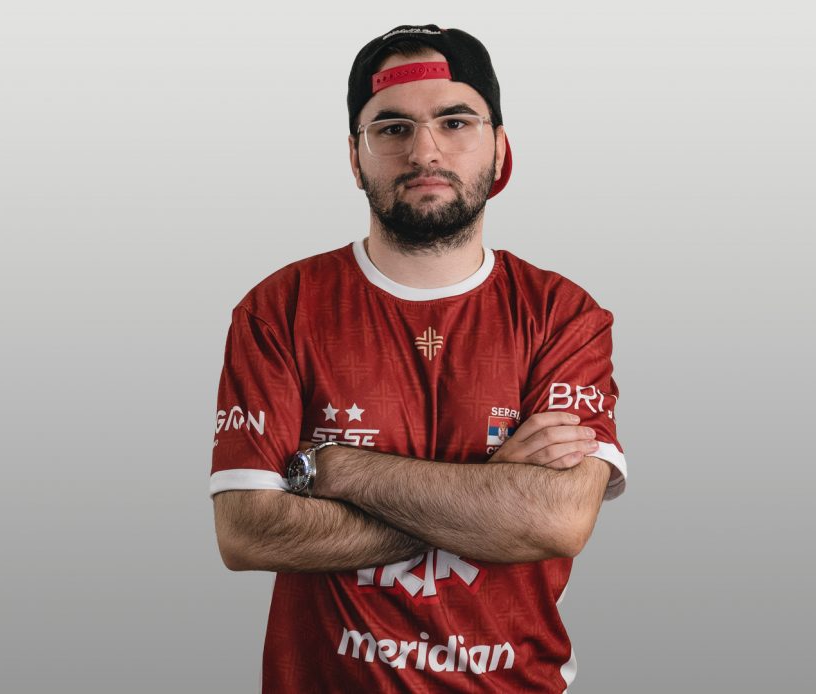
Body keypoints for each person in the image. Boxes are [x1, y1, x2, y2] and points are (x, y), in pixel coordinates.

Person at [210, 24, 628, 692]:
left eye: (455, 122)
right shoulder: (279, 309)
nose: (425, 150)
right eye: (392, 128)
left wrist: (335, 468)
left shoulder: (563, 315)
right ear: (355, 157)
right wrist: (491, 497)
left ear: (500, 146)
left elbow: (556, 520)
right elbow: (248, 533)